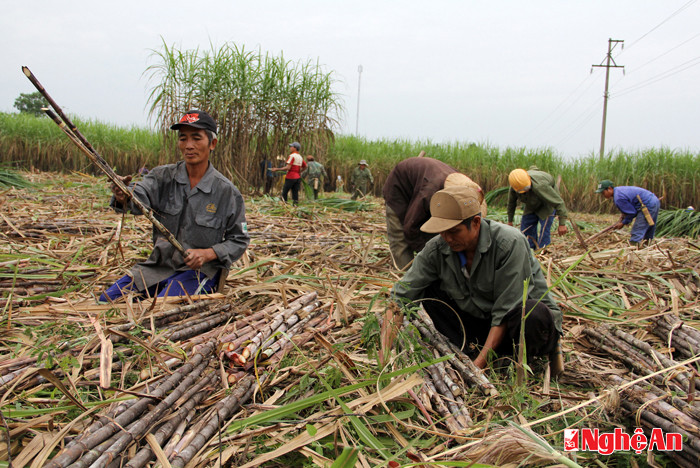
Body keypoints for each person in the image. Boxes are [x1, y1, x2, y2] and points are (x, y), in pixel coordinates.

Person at [392, 185, 564, 376]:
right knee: (428, 292)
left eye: (454, 231)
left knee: (532, 313)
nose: (447, 238)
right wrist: (385, 350)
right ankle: (472, 350)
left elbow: (505, 311)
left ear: (475, 222)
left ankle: (513, 359)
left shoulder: (509, 243)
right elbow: (401, 296)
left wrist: (475, 370)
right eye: (442, 231)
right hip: (481, 321)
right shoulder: (437, 248)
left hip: (519, 327)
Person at [100, 110, 249, 302]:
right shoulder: (162, 177)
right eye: (183, 139)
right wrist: (124, 194)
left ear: (212, 144)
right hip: (157, 267)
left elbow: (239, 239)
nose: (189, 146)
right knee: (106, 302)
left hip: (198, 273)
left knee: (160, 312)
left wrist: (207, 254)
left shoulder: (227, 192)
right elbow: (140, 194)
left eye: (196, 138)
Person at [383, 156, 487, 270]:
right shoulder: (429, 193)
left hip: (422, 184)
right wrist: (431, 254)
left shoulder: (465, 187)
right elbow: (411, 228)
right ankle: (405, 276)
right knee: (400, 238)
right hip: (399, 190)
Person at [507, 166, 569, 249]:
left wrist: (562, 224)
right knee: (526, 230)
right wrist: (510, 221)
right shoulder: (515, 187)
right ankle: (529, 251)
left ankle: (542, 252)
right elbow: (511, 204)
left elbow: (559, 203)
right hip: (531, 204)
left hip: (546, 204)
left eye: (527, 188)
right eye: (523, 190)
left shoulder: (541, 185)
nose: (526, 190)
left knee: (544, 233)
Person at [595, 180, 660, 246]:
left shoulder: (618, 198)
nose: (603, 195)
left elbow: (631, 213)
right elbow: (629, 210)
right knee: (649, 225)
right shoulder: (619, 191)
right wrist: (623, 219)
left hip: (647, 204)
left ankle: (634, 246)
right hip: (654, 200)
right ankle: (647, 245)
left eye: (603, 193)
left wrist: (623, 223)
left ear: (609, 189)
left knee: (639, 227)